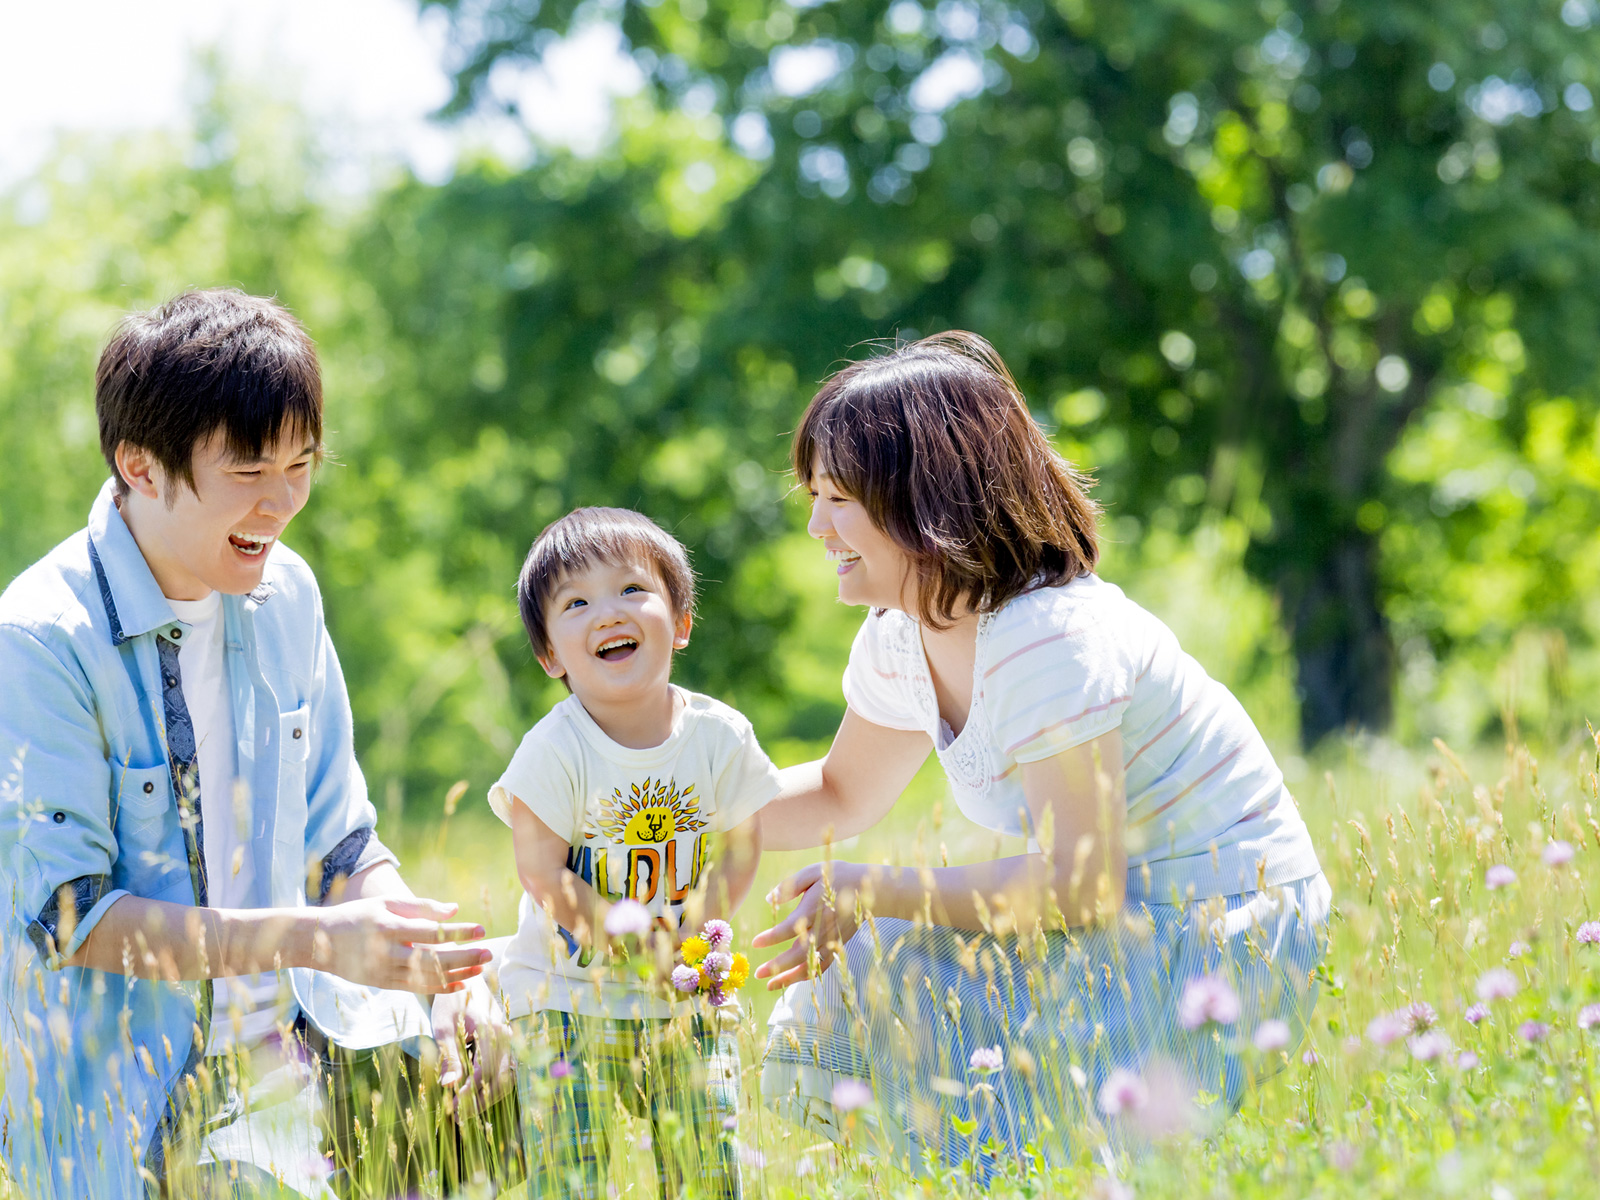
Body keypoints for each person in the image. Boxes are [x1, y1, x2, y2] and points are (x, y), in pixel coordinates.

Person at [752, 332, 1330, 1175]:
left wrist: (872, 890)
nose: (815, 526)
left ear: (925, 498)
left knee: (1026, 1125)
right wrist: (669, 807)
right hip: (1122, 913)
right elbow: (840, 793)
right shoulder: (902, 636)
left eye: (838, 497)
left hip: (1210, 926)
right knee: (874, 982)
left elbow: (1077, 886)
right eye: (814, 495)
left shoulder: (1046, 637)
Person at [0, 289, 509, 1198]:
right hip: (135, 1107)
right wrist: (310, 938)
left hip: (306, 1057)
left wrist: (452, 978)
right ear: (141, 465)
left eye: (302, 464)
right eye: (247, 471)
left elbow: (345, 846)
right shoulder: (40, 640)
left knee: (515, 1080)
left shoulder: (288, 595)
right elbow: (70, 917)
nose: (282, 503)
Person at [488, 507, 777, 1200]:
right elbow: (542, 872)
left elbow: (739, 848)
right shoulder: (555, 750)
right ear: (551, 654)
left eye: (631, 590)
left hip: (679, 996)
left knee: (709, 1165)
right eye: (577, 602)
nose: (607, 612)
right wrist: (631, 942)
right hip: (565, 999)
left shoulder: (720, 737)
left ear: (679, 621)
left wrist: (691, 935)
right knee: (570, 1173)